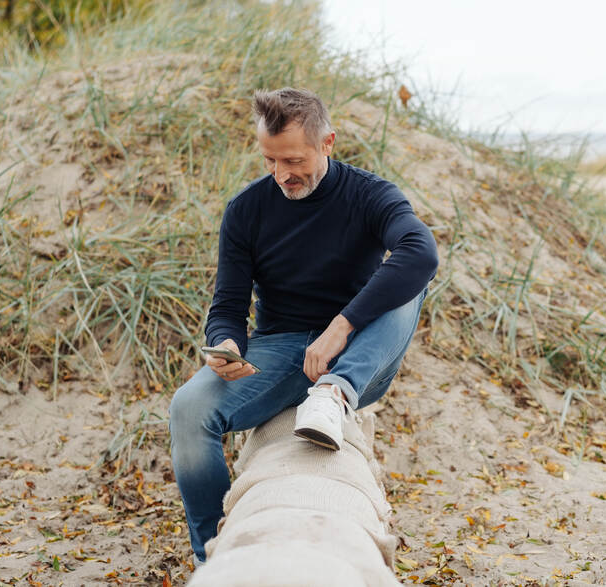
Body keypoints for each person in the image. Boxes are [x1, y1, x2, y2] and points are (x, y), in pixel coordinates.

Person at [168, 87, 438, 566]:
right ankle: (210, 559)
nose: (281, 174)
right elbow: (228, 303)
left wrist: (342, 326)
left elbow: (422, 251)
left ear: (327, 143)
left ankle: (335, 393)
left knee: (409, 278)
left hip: (359, 353)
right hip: (284, 352)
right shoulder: (247, 210)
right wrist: (223, 341)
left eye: (293, 160)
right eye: (270, 160)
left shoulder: (371, 195)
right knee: (188, 409)